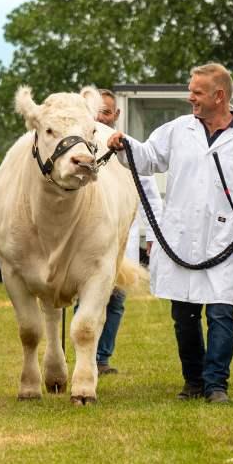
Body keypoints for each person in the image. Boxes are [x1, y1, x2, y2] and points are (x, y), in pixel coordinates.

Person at [107, 63, 233, 404]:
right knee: (184, 316)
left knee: (221, 312)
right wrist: (124, 144)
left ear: (219, 96)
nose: (190, 98)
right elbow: (148, 159)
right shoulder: (177, 131)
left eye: (197, 92)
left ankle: (216, 383)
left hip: (227, 242)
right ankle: (193, 380)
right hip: (181, 240)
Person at [89, 89, 163, 376]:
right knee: (88, 299)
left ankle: (102, 357)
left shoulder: (127, 147)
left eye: (106, 112)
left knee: (115, 302)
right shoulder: (79, 147)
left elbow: (149, 196)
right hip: (89, 241)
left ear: (116, 115)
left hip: (122, 240)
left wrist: (155, 236)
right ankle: (87, 353)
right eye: (95, 111)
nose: (100, 117)